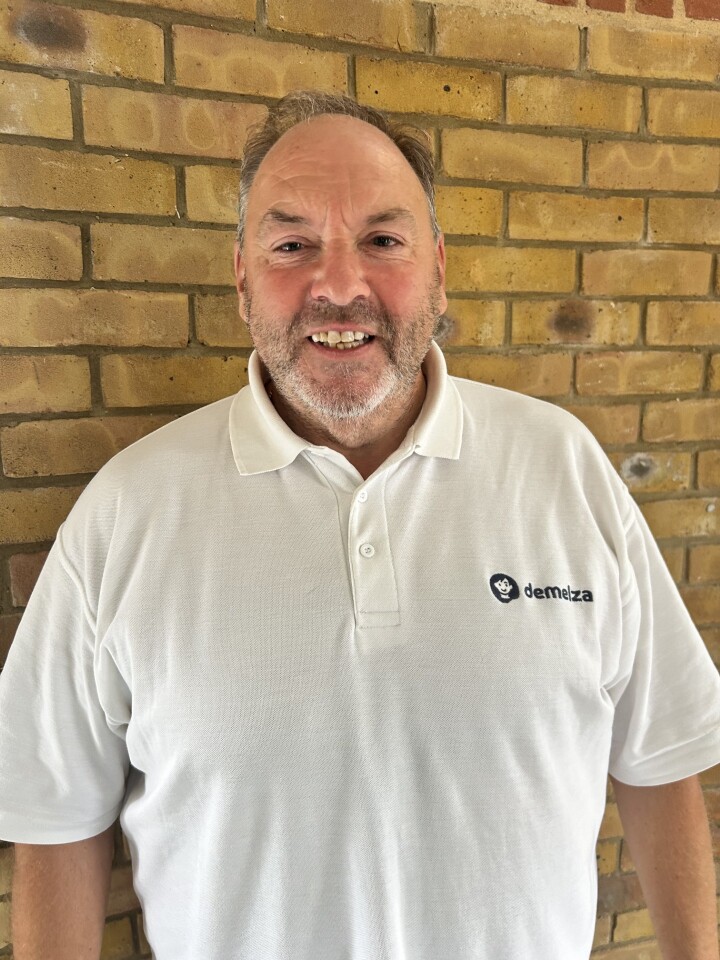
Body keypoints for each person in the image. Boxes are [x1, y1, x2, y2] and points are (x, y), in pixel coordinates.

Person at [1, 90, 719, 960]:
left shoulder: (563, 467)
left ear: (440, 268)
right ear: (240, 278)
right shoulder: (126, 513)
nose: (338, 286)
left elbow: (662, 757)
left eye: (382, 241)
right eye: (292, 244)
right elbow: (55, 818)